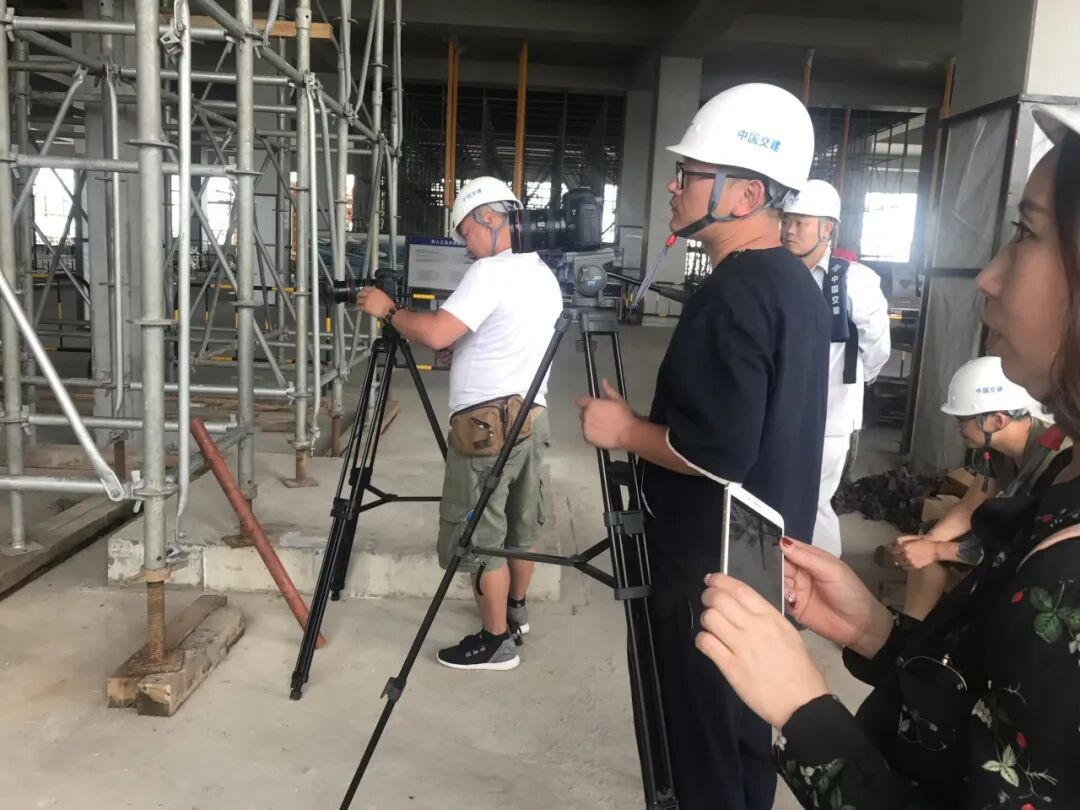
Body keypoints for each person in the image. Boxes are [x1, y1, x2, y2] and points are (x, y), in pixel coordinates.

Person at [693, 104, 1080, 808]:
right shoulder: (1057, 463)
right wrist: (881, 635)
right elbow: (987, 711)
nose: (988, 277)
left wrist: (806, 714)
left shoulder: (1070, 584)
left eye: (1026, 234)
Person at [576, 83, 829, 810]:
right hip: (760, 561)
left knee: (699, 756)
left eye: (690, 173)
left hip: (706, 575)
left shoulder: (734, 294)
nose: (675, 186)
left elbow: (717, 452)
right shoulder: (795, 285)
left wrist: (624, 432)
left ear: (745, 195)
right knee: (744, 740)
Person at [357, 176, 563, 671]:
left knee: (479, 536)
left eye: (465, 232)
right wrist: (463, 346)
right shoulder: (540, 272)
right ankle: (515, 613)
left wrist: (389, 310)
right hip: (531, 418)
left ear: (488, 219)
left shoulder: (491, 272)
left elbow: (434, 332)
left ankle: (495, 643)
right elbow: (503, 335)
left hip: (487, 429)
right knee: (520, 527)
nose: (465, 245)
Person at [889, 355, 1065, 619]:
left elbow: (1020, 546)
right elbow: (970, 507)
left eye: (963, 419)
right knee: (928, 539)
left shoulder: (1055, 459)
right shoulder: (994, 448)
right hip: (1015, 538)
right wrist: (928, 542)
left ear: (997, 420)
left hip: (1044, 558)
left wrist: (936, 550)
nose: (958, 428)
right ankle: (912, 630)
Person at [781, 180, 891, 557]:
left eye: (800, 223)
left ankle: (823, 581)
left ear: (827, 229)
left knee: (813, 503)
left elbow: (877, 347)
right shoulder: (777, 274)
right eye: (786, 221)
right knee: (771, 495)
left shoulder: (853, 282)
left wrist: (854, 385)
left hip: (829, 417)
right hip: (777, 412)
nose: (789, 230)